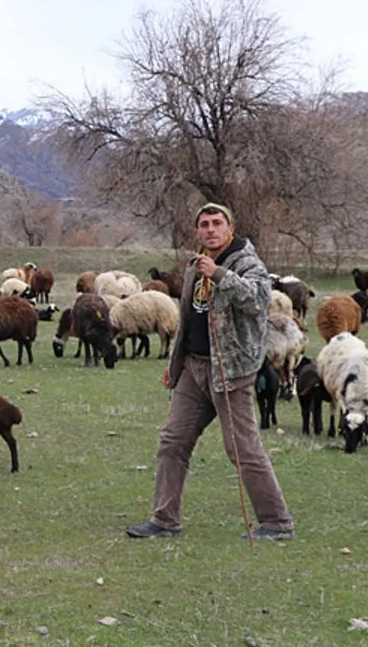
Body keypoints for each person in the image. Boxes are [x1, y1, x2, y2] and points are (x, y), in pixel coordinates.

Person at [126, 203, 295, 541]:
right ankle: (165, 520)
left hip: (231, 370)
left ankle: (277, 523)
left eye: (217, 223)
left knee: (243, 449)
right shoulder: (193, 266)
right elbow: (188, 319)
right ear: (197, 232)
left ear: (230, 229)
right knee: (173, 441)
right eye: (204, 225)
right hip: (194, 367)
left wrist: (219, 274)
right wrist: (175, 366)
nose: (211, 230)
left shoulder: (248, 263)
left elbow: (257, 300)